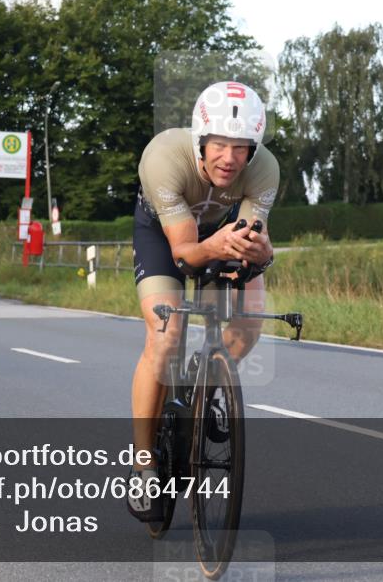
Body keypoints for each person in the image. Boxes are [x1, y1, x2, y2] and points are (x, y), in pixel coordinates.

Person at [128, 81, 279, 522]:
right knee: (165, 334)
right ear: (200, 139)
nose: (229, 159)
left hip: (222, 229)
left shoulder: (265, 168)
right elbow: (186, 254)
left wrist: (261, 254)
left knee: (248, 324)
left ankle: (204, 386)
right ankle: (143, 465)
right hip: (164, 236)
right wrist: (217, 249)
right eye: (218, 145)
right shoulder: (163, 159)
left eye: (241, 147)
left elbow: (251, 238)